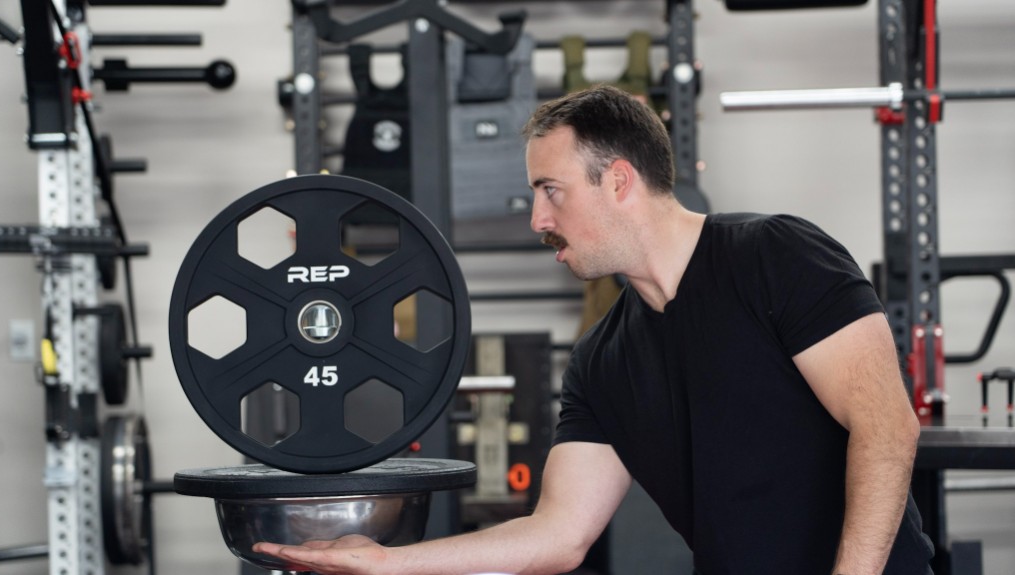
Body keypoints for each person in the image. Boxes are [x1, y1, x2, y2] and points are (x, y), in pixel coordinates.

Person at [255, 85, 934, 574]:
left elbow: (885, 425)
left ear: (617, 181)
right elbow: (558, 534)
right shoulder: (601, 361)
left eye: (550, 190)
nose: (535, 220)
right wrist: (389, 564)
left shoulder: (773, 255)